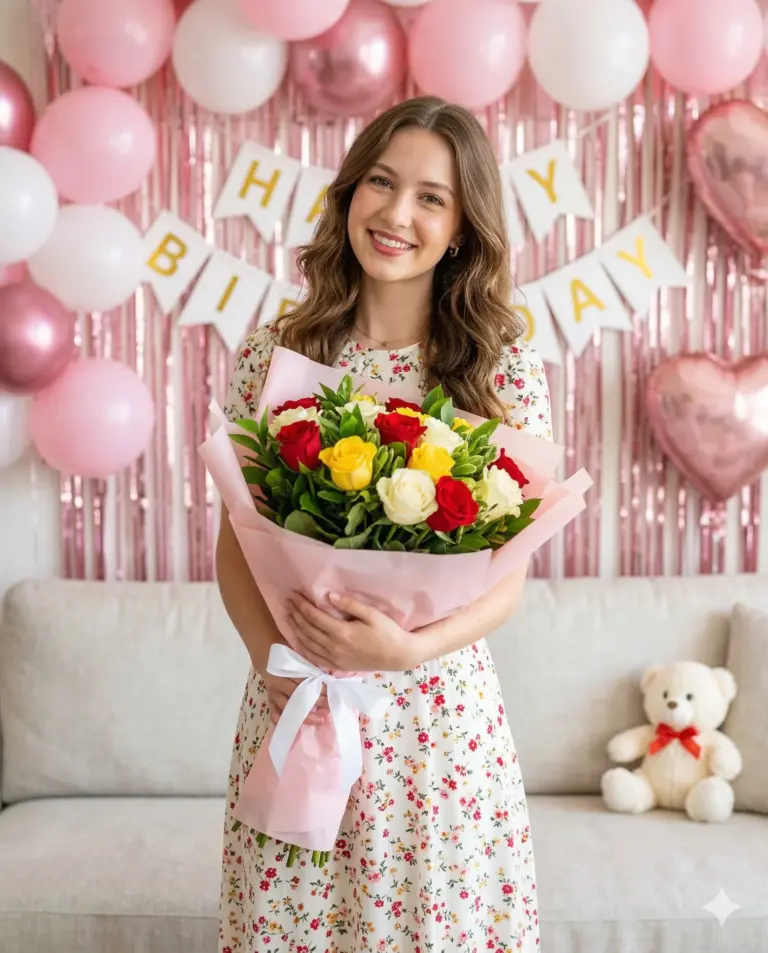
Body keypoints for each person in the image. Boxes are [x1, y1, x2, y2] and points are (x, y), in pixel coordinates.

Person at [217, 95, 552, 953]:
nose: (397, 214)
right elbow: (235, 547)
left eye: (431, 197)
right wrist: (277, 665)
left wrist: (404, 652)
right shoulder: (275, 355)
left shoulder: (497, 363)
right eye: (381, 182)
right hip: (301, 705)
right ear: (349, 192)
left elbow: (508, 575)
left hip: (436, 723)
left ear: (462, 228)